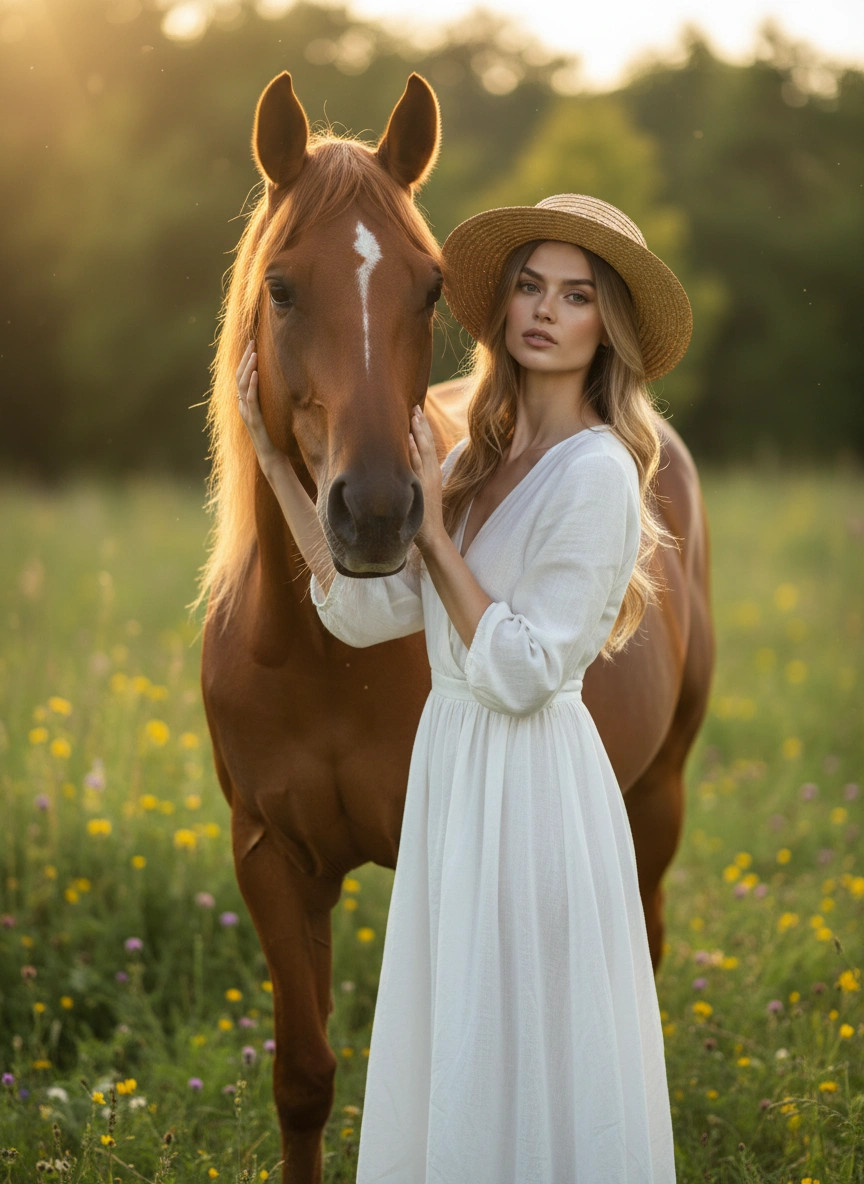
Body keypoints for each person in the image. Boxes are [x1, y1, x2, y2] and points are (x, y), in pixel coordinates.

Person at [236, 192, 691, 1182]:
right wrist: (277, 465)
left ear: (605, 324)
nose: (542, 309)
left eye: (575, 295)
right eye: (530, 285)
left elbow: (527, 671)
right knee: (460, 1028)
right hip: (459, 765)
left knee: (522, 1033)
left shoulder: (600, 473)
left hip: (529, 778)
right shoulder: (482, 455)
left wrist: (434, 531)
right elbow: (368, 612)